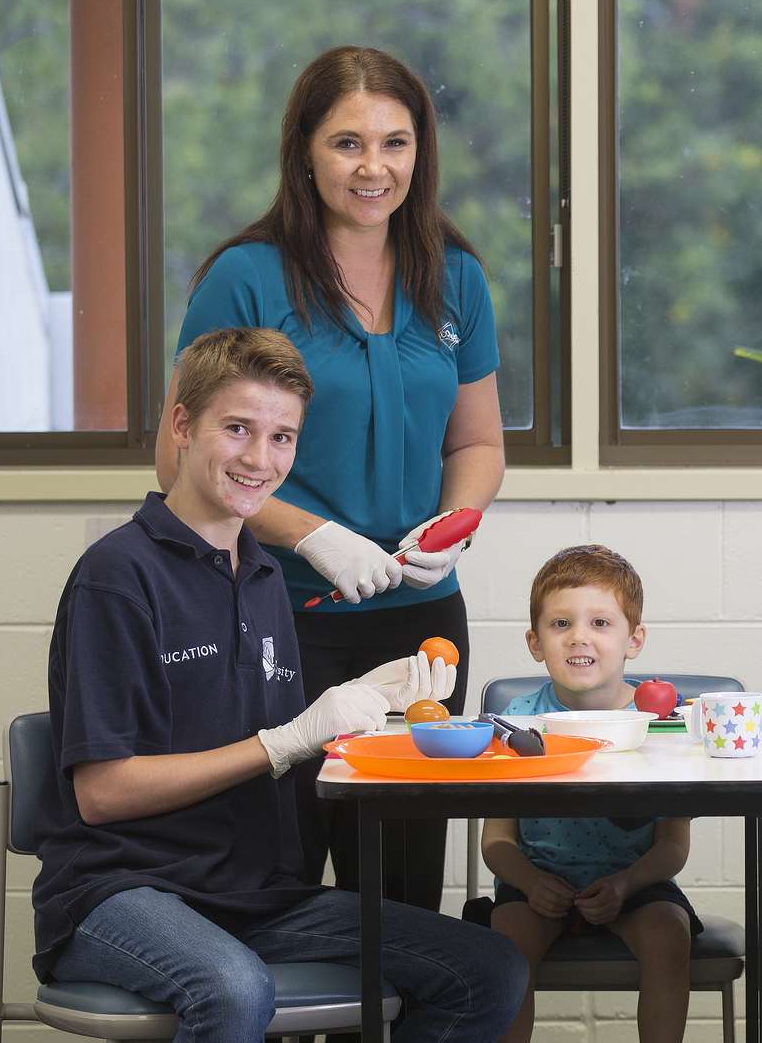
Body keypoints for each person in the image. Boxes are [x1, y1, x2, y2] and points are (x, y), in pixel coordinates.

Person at [38, 328, 525, 1041]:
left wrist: (373, 713)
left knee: (488, 969)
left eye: (282, 438)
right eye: (237, 429)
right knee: (233, 990)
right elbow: (103, 793)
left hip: (256, 897)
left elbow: (282, 747)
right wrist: (285, 739)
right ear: (182, 425)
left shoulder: (265, 577)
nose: (260, 460)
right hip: (120, 891)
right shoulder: (118, 576)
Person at [158, 45, 503, 911]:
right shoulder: (247, 277)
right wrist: (311, 533)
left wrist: (449, 527)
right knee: (276, 883)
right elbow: (177, 456)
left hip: (420, 620)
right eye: (347, 143)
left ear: (420, 153)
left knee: (404, 898)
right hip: (277, 611)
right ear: (305, 152)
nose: (373, 167)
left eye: (395, 142)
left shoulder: (456, 279)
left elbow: (478, 444)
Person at [481, 546, 700, 1043]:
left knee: (670, 935)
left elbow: (672, 845)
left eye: (600, 623)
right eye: (561, 624)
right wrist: (531, 882)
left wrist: (625, 885)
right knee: (504, 947)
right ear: (536, 643)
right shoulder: (516, 721)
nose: (579, 636)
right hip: (537, 885)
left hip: (635, 884)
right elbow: (496, 841)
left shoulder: (664, 722)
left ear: (634, 639)